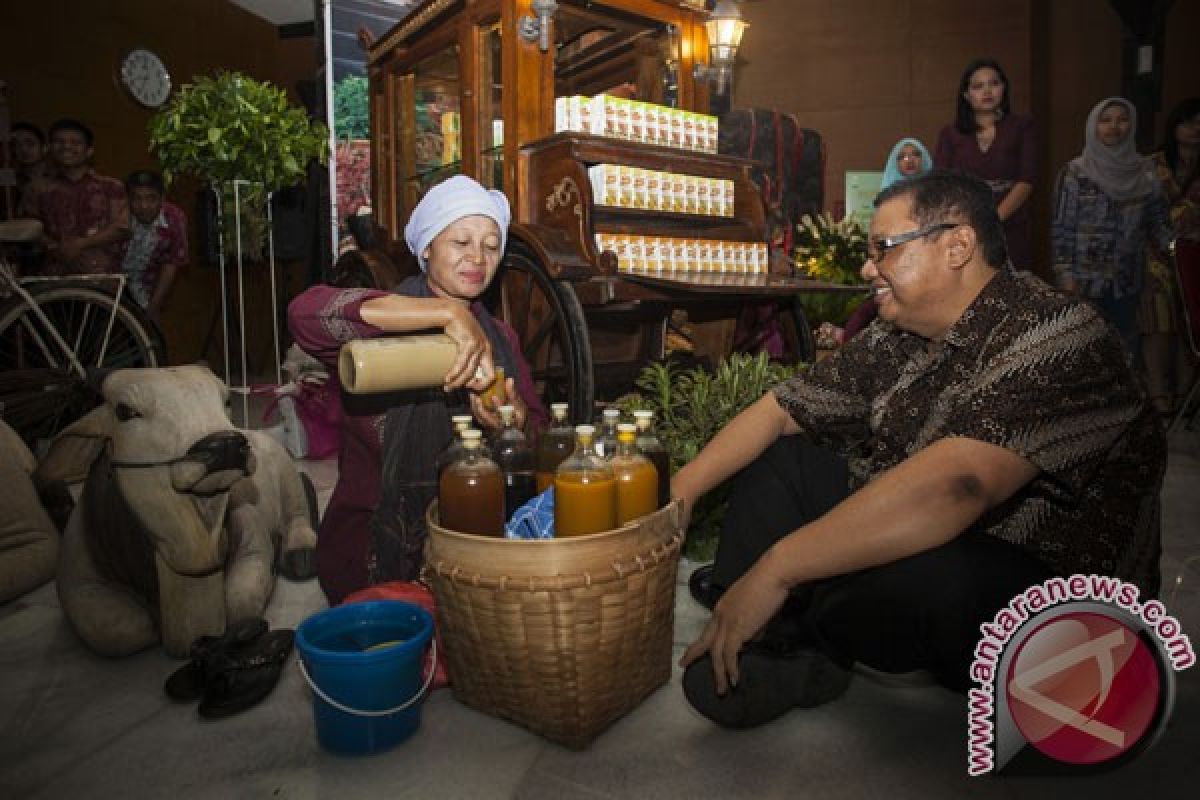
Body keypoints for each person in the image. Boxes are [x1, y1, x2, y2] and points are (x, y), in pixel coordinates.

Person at [673, 170, 1165, 730]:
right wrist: (679, 495)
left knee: (898, 573)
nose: (867, 268)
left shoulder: (1060, 331)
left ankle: (805, 612)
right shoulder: (899, 336)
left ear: (957, 246)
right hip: (965, 549)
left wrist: (777, 569)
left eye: (883, 248)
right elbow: (782, 408)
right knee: (792, 461)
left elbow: (958, 486)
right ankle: (784, 651)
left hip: (1061, 620)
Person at [288, 175, 548, 604]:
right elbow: (303, 315)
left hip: (473, 541)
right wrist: (446, 312)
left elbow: (537, 432)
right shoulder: (381, 323)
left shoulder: (500, 338)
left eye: (490, 245)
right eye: (461, 242)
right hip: (375, 550)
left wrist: (513, 417)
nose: (477, 258)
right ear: (427, 247)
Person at [1052, 97, 1172, 366]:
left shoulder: (1146, 172)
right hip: (1084, 280)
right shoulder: (1075, 173)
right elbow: (1062, 230)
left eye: (1122, 119)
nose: (1114, 127)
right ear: (1093, 126)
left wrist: (1179, 255)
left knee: (1124, 346)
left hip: (1128, 279)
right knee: (1083, 348)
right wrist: (1065, 275)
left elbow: (1160, 224)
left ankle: (1122, 406)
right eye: (1105, 120)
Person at [816, 138, 934, 348]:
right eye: (902, 156)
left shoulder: (938, 200)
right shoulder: (884, 204)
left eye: (915, 154)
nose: (909, 160)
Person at [935, 58, 1036, 271]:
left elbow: (1026, 180)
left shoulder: (1022, 126)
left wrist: (992, 220)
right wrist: (968, 223)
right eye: (978, 86)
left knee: (1013, 293)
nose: (987, 91)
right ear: (966, 95)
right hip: (964, 226)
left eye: (994, 83)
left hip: (1011, 225)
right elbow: (941, 182)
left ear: (1004, 88)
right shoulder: (950, 133)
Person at [1145, 97, 1200, 415]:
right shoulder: (1152, 164)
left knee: (1190, 318)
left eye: (1199, 123)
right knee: (1157, 318)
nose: (1195, 129)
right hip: (1155, 254)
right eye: (1188, 121)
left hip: (1194, 253)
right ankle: (1157, 390)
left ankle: (1186, 390)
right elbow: (1139, 212)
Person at [19, 119, 128, 275]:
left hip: (102, 278)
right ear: (50, 148)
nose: (66, 147)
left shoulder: (111, 187)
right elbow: (27, 226)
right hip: (51, 279)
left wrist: (81, 244)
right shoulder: (36, 189)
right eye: (59, 142)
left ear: (89, 150)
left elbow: (123, 228)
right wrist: (56, 248)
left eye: (75, 142)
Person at [120, 170, 187, 323]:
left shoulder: (174, 218)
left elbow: (171, 264)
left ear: (162, 199)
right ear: (127, 199)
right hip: (112, 280)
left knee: (151, 333)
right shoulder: (117, 214)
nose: (144, 206)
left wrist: (153, 307)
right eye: (137, 199)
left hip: (147, 286)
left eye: (151, 199)